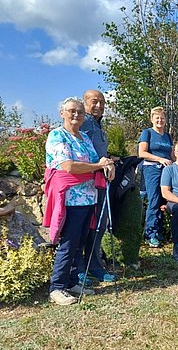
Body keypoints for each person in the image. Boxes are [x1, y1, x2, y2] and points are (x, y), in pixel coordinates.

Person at [44, 97, 115, 305]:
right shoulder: (57, 135)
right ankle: (57, 287)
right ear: (62, 113)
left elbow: (96, 161)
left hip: (88, 197)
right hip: (69, 199)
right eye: (72, 111)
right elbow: (68, 166)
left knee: (80, 242)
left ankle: (73, 281)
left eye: (80, 112)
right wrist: (98, 167)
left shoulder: (84, 137)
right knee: (68, 243)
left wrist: (107, 165)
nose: (76, 115)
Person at [79, 89, 116, 283]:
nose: (99, 106)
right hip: (83, 184)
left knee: (99, 225)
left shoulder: (98, 126)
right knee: (82, 225)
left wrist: (110, 159)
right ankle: (79, 269)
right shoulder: (82, 123)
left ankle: (94, 265)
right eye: (94, 102)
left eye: (102, 102)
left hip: (100, 182)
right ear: (84, 102)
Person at [138, 107, 173, 247]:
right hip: (152, 168)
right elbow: (142, 153)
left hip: (167, 170)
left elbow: (171, 155)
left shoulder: (167, 136)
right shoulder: (147, 133)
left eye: (162, 118)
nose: (160, 120)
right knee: (154, 200)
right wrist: (159, 159)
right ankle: (150, 234)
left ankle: (160, 231)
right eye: (157, 118)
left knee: (164, 200)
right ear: (152, 119)